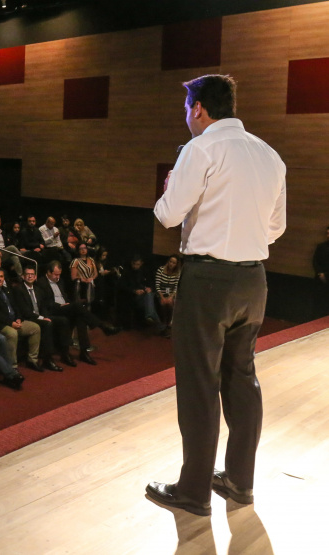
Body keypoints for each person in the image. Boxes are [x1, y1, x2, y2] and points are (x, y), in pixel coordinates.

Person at [147, 74, 286, 516]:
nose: (187, 116)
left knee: (199, 385)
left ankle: (192, 492)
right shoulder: (269, 154)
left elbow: (168, 215)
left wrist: (171, 185)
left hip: (208, 282)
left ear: (199, 109)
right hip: (253, 279)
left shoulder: (200, 148)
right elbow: (276, 228)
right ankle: (240, 483)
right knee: (242, 378)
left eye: (187, 108)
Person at [39, 260, 120, 365]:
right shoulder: (41, 282)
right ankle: (102, 326)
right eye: (55, 274)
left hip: (65, 307)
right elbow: (45, 302)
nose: (57, 277)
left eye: (59, 274)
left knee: (80, 317)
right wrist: (60, 305)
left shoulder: (60, 281)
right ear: (48, 272)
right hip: (54, 309)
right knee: (77, 306)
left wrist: (67, 304)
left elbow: (65, 296)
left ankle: (84, 351)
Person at [0, 267, 45, 371]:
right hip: (1, 324)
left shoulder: (6, 290)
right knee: (12, 333)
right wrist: (11, 323)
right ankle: (12, 366)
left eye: (1, 276)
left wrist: (19, 318)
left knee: (35, 328)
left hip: (14, 321)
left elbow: (16, 306)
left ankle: (32, 360)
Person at [154, 255, 181, 333]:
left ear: (176, 264)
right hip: (161, 293)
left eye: (174, 263)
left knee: (170, 304)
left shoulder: (177, 273)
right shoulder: (161, 270)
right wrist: (162, 297)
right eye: (170, 261)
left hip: (171, 294)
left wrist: (171, 297)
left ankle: (168, 323)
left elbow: (176, 287)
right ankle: (163, 323)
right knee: (162, 304)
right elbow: (157, 285)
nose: (171, 264)